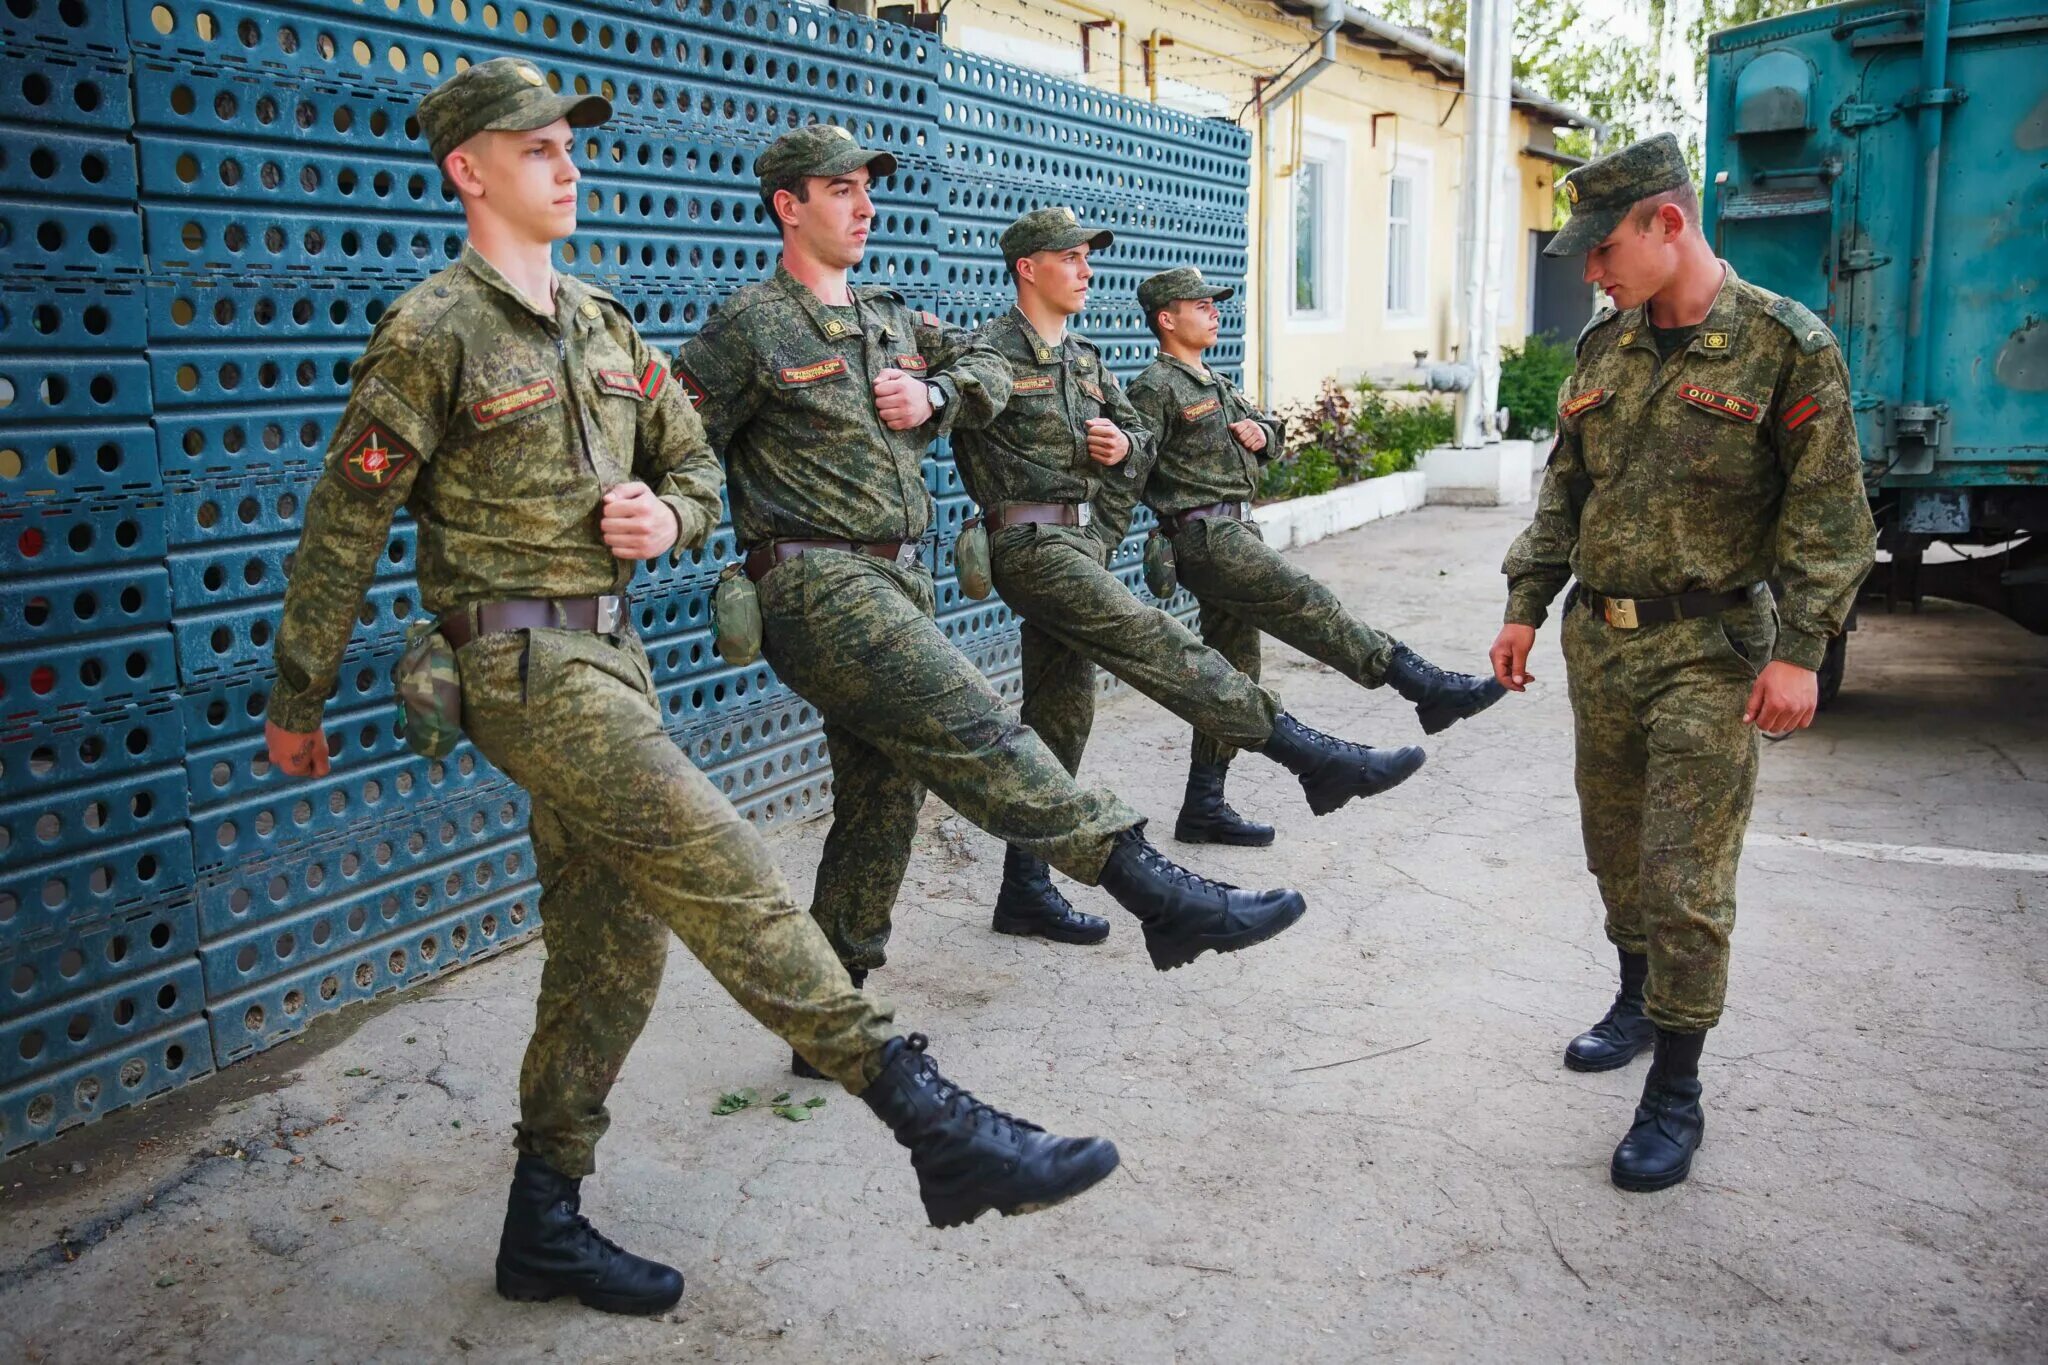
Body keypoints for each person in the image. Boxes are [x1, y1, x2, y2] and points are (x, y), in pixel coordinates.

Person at [261, 60, 1121, 1316]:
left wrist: (664, 515)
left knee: (610, 949)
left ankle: (542, 1222)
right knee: (721, 858)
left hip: (613, 656)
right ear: (469, 170)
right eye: (539, 148)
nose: (568, 165)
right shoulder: (432, 329)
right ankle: (927, 1117)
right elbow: (344, 523)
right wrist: (300, 697)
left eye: (569, 146)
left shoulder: (608, 328)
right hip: (514, 660)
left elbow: (697, 471)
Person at [675, 128, 1311, 1080]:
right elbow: (679, 440)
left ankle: (828, 1015)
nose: (864, 204)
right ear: (787, 206)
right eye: (839, 189)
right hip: (808, 578)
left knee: (882, 789)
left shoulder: (892, 318)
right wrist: (672, 512)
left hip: (896, 575)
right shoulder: (748, 326)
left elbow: (987, 363)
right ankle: (1156, 890)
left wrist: (937, 393)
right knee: (975, 725)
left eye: (867, 188)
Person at [1490, 133, 1875, 1192]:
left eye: (1603, 245)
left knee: (1684, 873)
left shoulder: (1784, 345)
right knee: (1614, 848)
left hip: (1708, 647)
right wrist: (1525, 602)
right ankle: (1632, 996)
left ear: (1668, 222)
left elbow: (1830, 517)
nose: (1589, 269)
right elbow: (1563, 489)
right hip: (1597, 642)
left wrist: (1800, 652)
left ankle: (1676, 1088)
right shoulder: (1601, 349)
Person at [950, 207, 1427, 946]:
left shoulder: (1083, 358)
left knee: (1059, 717)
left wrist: (1117, 447)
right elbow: (958, 397)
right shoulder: (991, 351)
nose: (1086, 271)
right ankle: (1310, 754)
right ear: (1028, 267)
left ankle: (1025, 889)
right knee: (1158, 643)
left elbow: (1139, 444)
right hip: (1028, 542)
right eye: (1071, 258)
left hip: (1077, 547)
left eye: (1087, 258)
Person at [1127, 269, 1506, 847]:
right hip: (1205, 538)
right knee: (1309, 604)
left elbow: (1270, 429)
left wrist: (1262, 435)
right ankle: (1421, 686)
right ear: (1166, 318)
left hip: (1236, 531)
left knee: (1233, 673)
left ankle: (1203, 805)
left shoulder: (1215, 382)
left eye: (1214, 303)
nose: (1213, 311)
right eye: (1199, 305)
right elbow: (1132, 464)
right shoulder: (1156, 386)